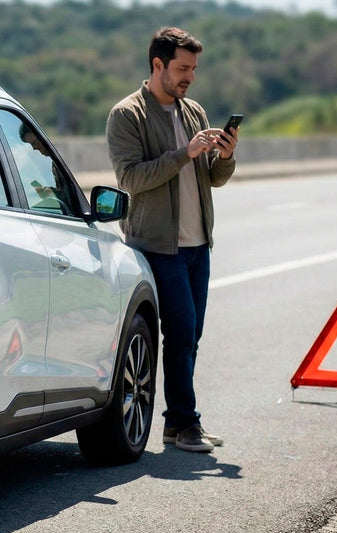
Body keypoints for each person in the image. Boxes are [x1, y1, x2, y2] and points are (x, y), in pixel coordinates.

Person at [105, 26, 238, 453]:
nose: (190, 77)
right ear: (157, 65)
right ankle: (185, 424)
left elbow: (211, 179)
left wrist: (225, 156)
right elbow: (131, 179)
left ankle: (176, 423)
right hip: (160, 247)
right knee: (179, 332)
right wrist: (186, 153)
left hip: (199, 244)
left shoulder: (193, 112)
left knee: (191, 334)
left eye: (194, 69)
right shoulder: (127, 115)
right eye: (182, 68)